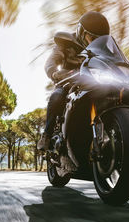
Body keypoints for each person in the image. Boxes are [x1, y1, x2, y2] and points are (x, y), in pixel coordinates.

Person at [37, 11, 111, 151]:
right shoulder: (66, 42)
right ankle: (47, 134)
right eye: (92, 37)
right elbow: (51, 61)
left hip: (94, 81)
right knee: (57, 96)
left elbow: (110, 60)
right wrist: (55, 73)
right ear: (82, 33)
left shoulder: (103, 48)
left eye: (99, 39)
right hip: (69, 82)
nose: (94, 42)